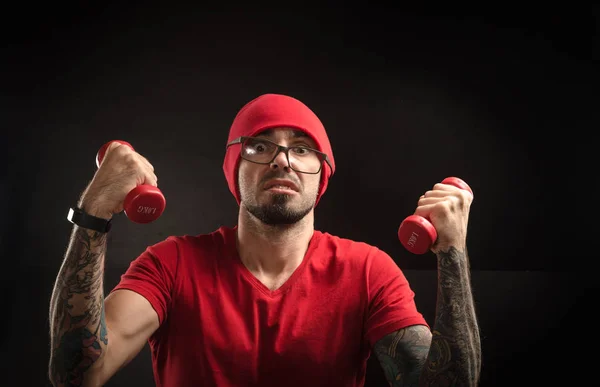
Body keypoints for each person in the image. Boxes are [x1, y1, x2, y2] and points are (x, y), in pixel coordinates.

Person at [48, 93, 481, 387]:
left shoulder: (367, 271)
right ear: (235, 168)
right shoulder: (170, 265)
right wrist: (93, 215)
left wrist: (453, 253)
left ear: (321, 173)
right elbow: (78, 374)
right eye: (259, 146)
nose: (282, 161)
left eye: (302, 148)